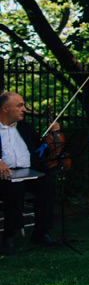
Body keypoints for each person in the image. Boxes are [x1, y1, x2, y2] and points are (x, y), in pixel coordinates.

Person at [0, 91, 58, 255]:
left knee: (47, 183)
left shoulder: (25, 128)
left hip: (28, 173)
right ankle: (8, 235)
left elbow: (40, 151)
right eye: (20, 106)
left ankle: (41, 232)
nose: (24, 109)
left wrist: (52, 137)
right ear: (5, 108)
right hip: (4, 177)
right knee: (15, 188)